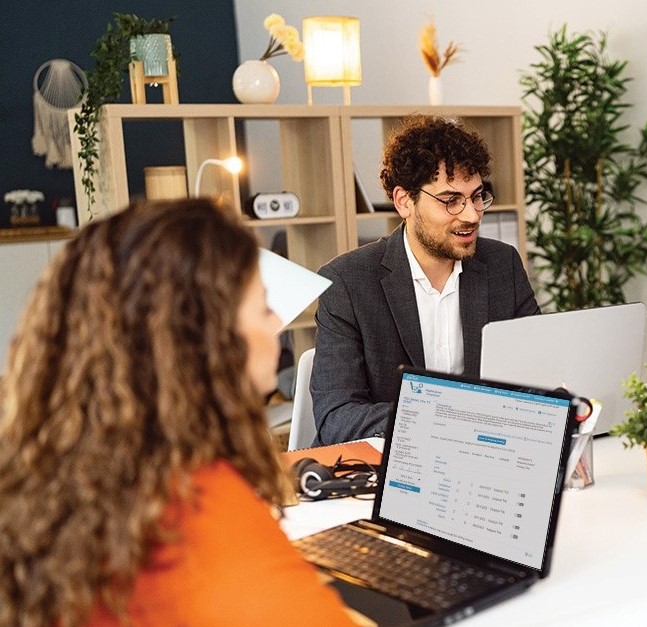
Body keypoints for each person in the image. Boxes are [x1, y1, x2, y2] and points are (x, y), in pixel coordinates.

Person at [0, 200, 360, 626]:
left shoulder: (56, 487)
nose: (276, 324)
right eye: (264, 306)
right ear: (203, 338)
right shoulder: (199, 507)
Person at [312, 115, 539, 443]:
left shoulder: (503, 265)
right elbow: (337, 418)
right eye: (451, 201)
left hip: (485, 453)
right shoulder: (347, 283)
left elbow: (536, 375)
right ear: (404, 201)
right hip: (392, 466)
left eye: (477, 196)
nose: (472, 215)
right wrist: (447, 416)